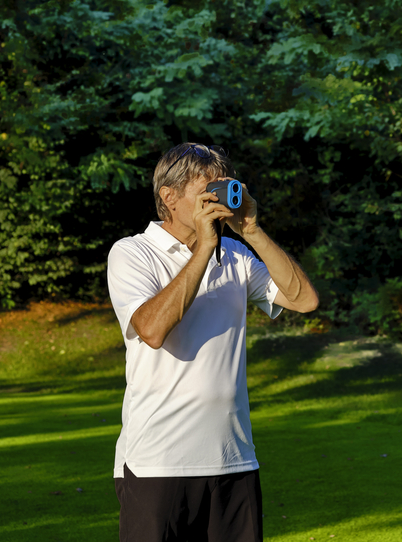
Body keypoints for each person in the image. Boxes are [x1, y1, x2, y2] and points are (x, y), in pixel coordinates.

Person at [106, 143, 319, 542]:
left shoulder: (236, 255)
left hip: (233, 460)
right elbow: (151, 331)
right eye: (209, 189)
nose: (219, 198)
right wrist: (204, 246)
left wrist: (252, 230)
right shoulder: (132, 253)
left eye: (224, 187)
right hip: (158, 464)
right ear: (169, 197)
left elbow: (304, 299)